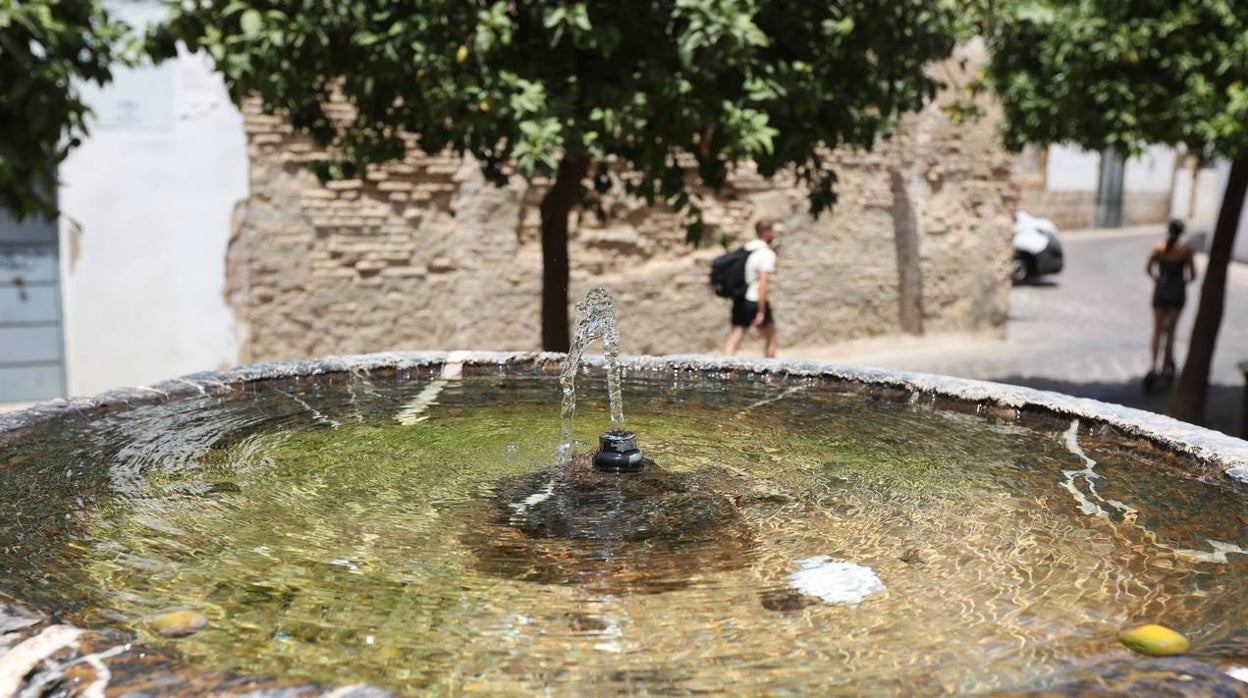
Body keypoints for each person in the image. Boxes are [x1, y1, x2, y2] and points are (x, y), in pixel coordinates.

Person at [1145, 218, 1197, 386]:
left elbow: (1148, 269)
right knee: (1171, 332)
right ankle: (1167, 366)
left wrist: (1159, 280)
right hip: (1177, 294)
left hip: (1161, 292)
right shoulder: (1186, 250)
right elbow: (1192, 275)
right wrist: (1181, 283)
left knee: (1157, 331)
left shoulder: (1158, 248)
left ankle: (1153, 367)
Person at [724, 219, 779, 357]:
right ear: (767, 232)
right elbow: (763, 284)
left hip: (741, 299)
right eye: (773, 231)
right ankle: (770, 373)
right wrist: (761, 311)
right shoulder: (766, 254)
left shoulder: (747, 249)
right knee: (771, 339)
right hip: (755, 300)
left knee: (734, 338)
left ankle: (723, 371)